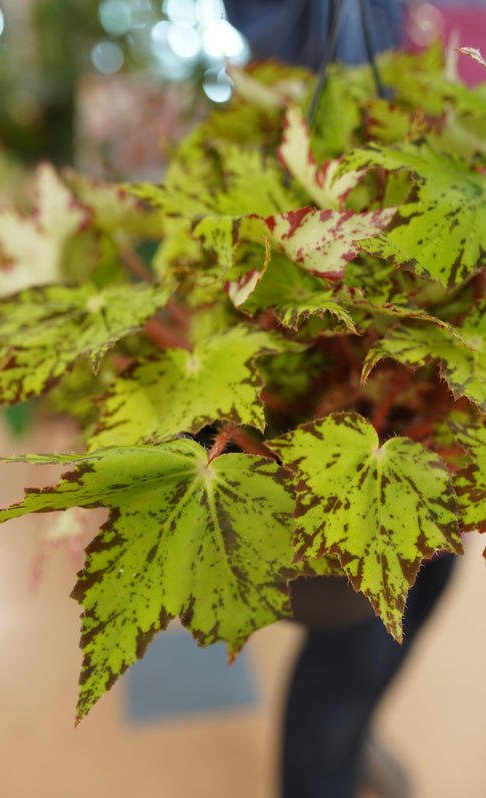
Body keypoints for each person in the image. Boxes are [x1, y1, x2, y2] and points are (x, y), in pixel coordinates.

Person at [221, 3, 456, 797]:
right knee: (351, 634)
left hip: (421, 202)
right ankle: (321, 769)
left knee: (428, 583)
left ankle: (348, 743)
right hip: (329, 174)